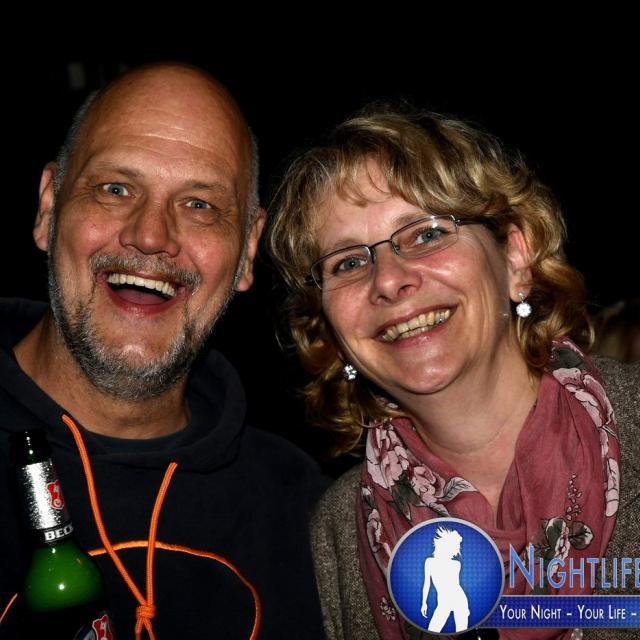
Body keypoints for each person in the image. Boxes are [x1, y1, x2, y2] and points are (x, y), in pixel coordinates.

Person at [266, 107, 640, 639]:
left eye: (425, 234)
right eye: (347, 262)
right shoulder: (332, 536)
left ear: (515, 259)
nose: (388, 281)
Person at [0, 63, 326, 639]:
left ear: (248, 249)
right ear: (49, 207)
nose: (151, 235)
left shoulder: (304, 511)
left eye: (199, 204)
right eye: (115, 189)